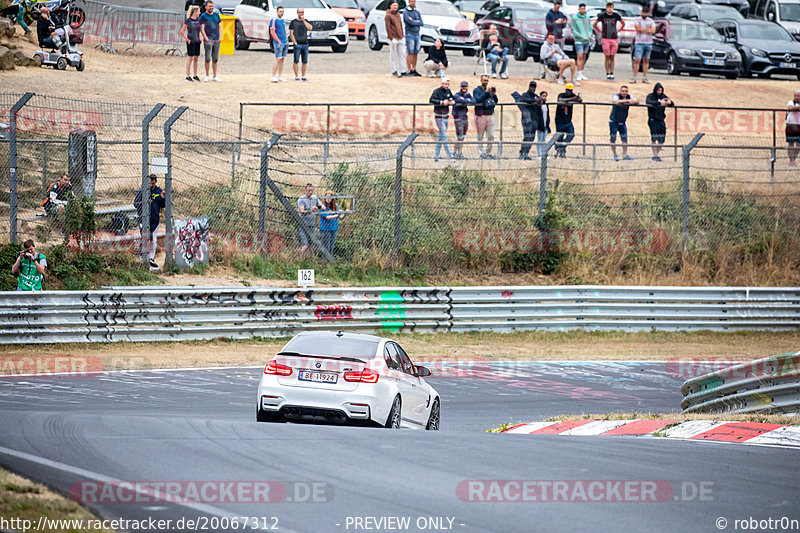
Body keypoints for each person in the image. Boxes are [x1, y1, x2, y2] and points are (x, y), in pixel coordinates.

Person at [134, 174, 166, 269]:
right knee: (145, 236)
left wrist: (163, 198)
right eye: (149, 183)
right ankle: (141, 255)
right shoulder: (142, 190)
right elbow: (135, 203)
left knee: (153, 239)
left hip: (154, 219)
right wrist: (145, 202)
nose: (151, 185)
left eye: (152, 183)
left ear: (155, 182)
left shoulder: (159, 191)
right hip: (143, 218)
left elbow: (163, 205)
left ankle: (151, 258)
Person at [593, 2, 624, 81]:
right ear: (606, 8)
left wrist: (618, 30)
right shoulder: (602, 16)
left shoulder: (616, 15)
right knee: (607, 56)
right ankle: (607, 72)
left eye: (611, 7)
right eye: (608, 7)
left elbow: (623, 23)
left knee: (612, 56)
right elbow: (595, 24)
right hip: (605, 37)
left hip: (614, 38)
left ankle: (612, 72)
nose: (610, 9)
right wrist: (600, 31)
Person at [511, 81, 542, 160]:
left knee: (532, 137)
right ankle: (522, 153)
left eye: (534, 87)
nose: (533, 88)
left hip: (534, 119)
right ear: (529, 86)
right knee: (527, 136)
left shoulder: (536, 96)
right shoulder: (525, 95)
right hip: (526, 119)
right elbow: (525, 100)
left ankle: (526, 153)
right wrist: (535, 101)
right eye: (531, 86)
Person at [429, 78, 455, 162]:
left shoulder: (448, 91)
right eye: (446, 84)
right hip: (439, 116)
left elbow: (453, 98)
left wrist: (452, 102)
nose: (447, 86)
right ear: (442, 84)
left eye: (448, 84)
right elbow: (431, 100)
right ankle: (450, 156)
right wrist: (441, 102)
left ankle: (436, 156)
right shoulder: (437, 91)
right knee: (444, 137)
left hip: (446, 116)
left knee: (440, 137)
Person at [645, 82, 673, 162]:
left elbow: (671, 103)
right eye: (658, 90)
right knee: (654, 138)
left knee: (661, 139)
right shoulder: (650, 96)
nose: (659, 92)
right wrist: (659, 103)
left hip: (661, 120)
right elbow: (648, 102)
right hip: (653, 120)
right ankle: (655, 155)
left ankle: (656, 154)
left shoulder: (663, 96)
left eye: (661, 90)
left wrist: (668, 102)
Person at [609, 85, 638, 161]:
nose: (624, 92)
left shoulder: (629, 96)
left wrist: (633, 101)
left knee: (624, 139)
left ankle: (624, 155)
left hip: (622, 122)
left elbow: (637, 101)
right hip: (613, 121)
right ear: (620, 91)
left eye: (626, 91)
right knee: (613, 138)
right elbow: (616, 102)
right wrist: (628, 101)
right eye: (623, 91)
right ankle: (614, 155)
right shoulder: (616, 96)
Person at [554, 82, 582, 158]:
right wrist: (572, 99)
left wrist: (578, 97)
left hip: (568, 120)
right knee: (560, 136)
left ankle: (560, 147)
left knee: (571, 134)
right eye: (567, 90)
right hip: (559, 120)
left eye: (570, 90)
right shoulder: (561, 95)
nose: (568, 92)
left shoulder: (573, 95)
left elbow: (580, 100)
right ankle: (561, 152)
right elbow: (560, 100)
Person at [473, 75, 498, 159]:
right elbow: (477, 100)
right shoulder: (476, 90)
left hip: (490, 115)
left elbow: (495, 102)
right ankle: (480, 154)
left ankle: (487, 153)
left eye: (487, 80)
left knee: (491, 136)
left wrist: (494, 94)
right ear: (481, 80)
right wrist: (486, 93)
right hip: (480, 115)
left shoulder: (490, 90)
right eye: (484, 80)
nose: (485, 82)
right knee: (480, 136)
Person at [631, 6, 656, 84]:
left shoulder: (651, 21)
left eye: (646, 12)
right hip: (639, 42)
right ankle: (634, 77)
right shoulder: (637, 20)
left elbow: (654, 30)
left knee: (646, 60)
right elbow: (638, 29)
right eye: (643, 12)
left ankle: (644, 77)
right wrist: (648, 30)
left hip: (648, 42)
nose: (645, 14)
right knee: (637, 60)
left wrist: (645, 30)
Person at [180, 5, 204, 82]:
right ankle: (187, 76)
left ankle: (195, 75)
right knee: (190, 58)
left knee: (196, 58)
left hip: (197, 41)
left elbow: (198, 30)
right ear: (195, 12)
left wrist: (200, 37)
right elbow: (182, 31)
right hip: (191, 41)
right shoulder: (188, 21)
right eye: (199, 11)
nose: (200, 13)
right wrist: (187, 39)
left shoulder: (198, 20)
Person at [199, 1, 221, 82]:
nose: (211, 8)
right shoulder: (203, 16)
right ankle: (207, 75)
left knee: (215, 58)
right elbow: (202, 28)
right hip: (208, 39)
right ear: (206, 7)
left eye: (212, 6)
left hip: (216, 39)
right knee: (207, 58)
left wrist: (220, 36)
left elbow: (219, 27)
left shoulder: (216, 15)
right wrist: (205, 37)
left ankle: (215, 76)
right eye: (209, 6)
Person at [452, 81, 475, 159]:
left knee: (463, 136)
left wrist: (465, 100)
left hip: (465, 117)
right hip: (458, 117)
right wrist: (466, 101)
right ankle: (455, 152)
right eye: (462, 86)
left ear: (467, 87)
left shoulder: (468, 95)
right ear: (460, 87)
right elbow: (459, 99)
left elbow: (474, 101)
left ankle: (459, 153)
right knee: (459, 136)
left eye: (465, 86)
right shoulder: (457, 94)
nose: (464, 88)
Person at [290, 8, 312, 82]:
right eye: (299, 12)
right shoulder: (293, 22)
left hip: (305, 43)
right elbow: (291, 33)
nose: (301, 13)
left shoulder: (306, 21)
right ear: (297, 12)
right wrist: (294, 42)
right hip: (297, 44)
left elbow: (310, 28)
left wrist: (304, 20)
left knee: (304, 61)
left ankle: (303, 76)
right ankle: (296, 76)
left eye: (302, 12)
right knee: (296, 60)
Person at [385, 1, 406, 77]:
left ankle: (403, 71)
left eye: (396, 5)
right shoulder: (388, 15)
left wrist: (402, 35)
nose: (395, 7)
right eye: (394, 5)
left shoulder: (398, 14)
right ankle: (394, 70)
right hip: (393, 37)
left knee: (402, 54)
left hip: (400, 36)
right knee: (393, 55)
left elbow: (400, 25)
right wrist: (391, 37)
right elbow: (388, 27)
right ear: (390, 6)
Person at [297, 183, 320, 253]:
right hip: (303, 225)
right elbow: (302, 212)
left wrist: (318, 207)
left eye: (312, 191)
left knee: (313, 243)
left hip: (312, 225)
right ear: (305, 190)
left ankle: (309, 259)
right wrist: (311, 210)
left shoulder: (315, 198)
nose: (310, 192)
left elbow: (321, 206)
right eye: (309, 190)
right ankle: (299, 258)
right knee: (305, 245)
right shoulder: (301, 199)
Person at [571, 4, 591, 81]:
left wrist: (589, 35)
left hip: (587, 40)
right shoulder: (575, 18)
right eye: (581, 9)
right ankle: (578, 73)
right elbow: (573, 29)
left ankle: (581, 72)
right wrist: (580, 36)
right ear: (579, 9)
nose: (583, 10)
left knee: (584, 57)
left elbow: (590, 28)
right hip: (579, 40)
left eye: (584, 9)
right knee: (579, 56)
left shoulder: (587, 17)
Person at [319, 191, 342, 256]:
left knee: (331, 247)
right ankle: (324, 262)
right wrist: (337, 215)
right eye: (326, 197)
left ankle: (330, 263)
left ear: (332, 198)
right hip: (325, 229)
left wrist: (344, 213)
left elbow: (340, 217)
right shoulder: (321, 206)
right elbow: (327, 217)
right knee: (326, 247)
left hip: (334, 228)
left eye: (330, 197)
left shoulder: (336, 206)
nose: (328, 199)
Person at [403, 0, 423, 76]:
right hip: (409, 34)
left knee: (415, 53)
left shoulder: (417, 12)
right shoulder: (406, 12)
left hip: (417, 34)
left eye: (414, 1)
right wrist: (416, 22)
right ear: (409, 2)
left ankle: (414, 69)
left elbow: (421, 22)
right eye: (411, 1)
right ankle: (409, 69)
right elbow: (409, 22)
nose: (413, 2)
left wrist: (414, 21)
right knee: (410, 52)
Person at [270, 6, 288, 83]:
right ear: (277, 12)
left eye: (282, 11)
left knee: (282, 59)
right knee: (278, 59)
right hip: (278, 43)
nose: (282, 13)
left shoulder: (282, 20)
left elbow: (283, 30)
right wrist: (279, 41)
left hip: (284, 42)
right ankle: (273, 76)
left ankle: (280, 75)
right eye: (280, 11)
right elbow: (272, 32)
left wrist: (286, 40)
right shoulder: (274, 20)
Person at [786, 90, 800, 167]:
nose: (796, 97)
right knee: (791, 143)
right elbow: (791, 108)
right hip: (791, 125)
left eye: (798, 96)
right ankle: (791, 160)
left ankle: (793, 159)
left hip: (799, 126)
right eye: (795, 96)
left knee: (798, 144)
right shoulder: (791, 102)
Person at [537, 91, 551, 158]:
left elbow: (547, 115)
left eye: (545, 96)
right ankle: (539, 154)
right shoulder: (539, 106)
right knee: (539, 140)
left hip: (545, 125)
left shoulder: (546, 105)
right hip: (540, 125)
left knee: (544, 140)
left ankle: (544, 154)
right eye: (543, 95)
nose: (544, 97)